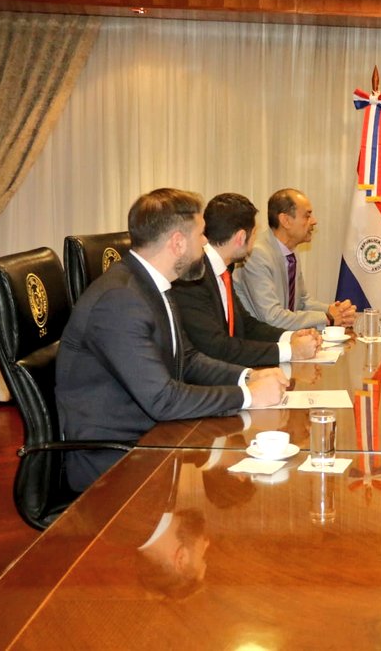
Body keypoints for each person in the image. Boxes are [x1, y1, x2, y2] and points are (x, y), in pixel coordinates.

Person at [56, 188, 288, 491]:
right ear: (177, 242)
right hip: (115, 462)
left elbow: (187, 359)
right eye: (202, 234)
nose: (206, 243)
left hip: (154, 438)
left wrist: (248, 375)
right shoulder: (121, 300)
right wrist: (249, 396)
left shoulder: (153, 285)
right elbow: (162, 400)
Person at [170, 193, 321, 367]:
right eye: (255, 233)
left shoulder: (222, 271)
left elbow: (247, 326)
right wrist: (289, 351)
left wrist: (290, 337)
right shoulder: (193, 278)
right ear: (241, 237)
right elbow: (217, 347)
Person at [234, 188, 357, 330]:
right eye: (307, 216)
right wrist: (327, 318)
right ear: (285, 220)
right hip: (260, 343)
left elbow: (302, 302)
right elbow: (272, 317)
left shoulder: (291, 252)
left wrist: (334, 310)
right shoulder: (257, 254)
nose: (314, 221)